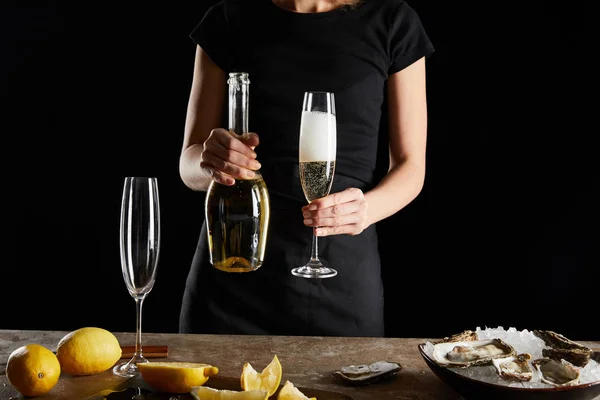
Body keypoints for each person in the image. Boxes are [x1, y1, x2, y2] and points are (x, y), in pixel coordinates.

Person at [178, 0, 434, 337]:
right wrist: (210, 161)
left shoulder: (392, 21)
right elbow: (188, 164)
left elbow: (411, 166)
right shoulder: (227, 18)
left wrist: (368, 209)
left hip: (340, 282)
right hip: (232, 274)